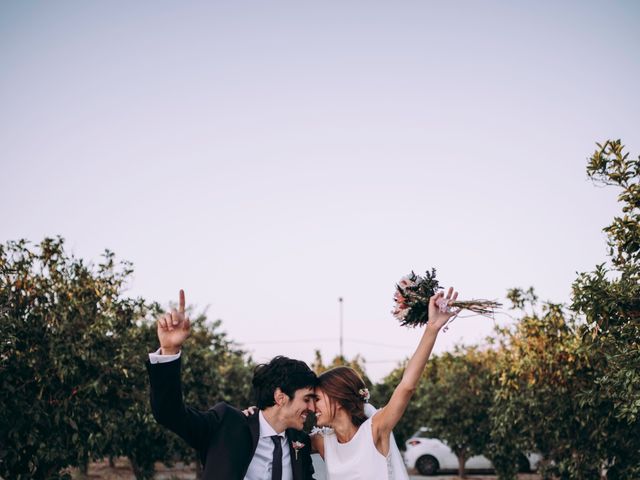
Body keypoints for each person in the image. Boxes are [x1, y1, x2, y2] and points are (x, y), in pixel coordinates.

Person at [147, 289, 318, 480]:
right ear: (280, 397)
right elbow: (169, 413)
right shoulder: (226, 424)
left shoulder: (300, 443)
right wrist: (170, 350)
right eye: (307, 398)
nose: (312, 407)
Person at [311, 287, 459, 480]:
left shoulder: (375, 429)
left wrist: (432, 328)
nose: (312, 406)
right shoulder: (323, 443)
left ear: (338, 399)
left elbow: (406, 386)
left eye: (317, 399)